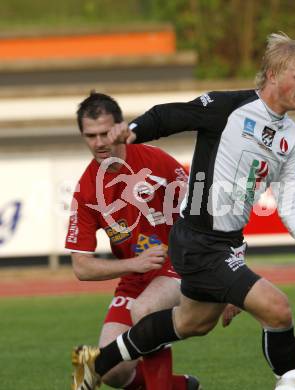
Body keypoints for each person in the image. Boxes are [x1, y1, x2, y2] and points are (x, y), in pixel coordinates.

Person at [72, 33, 295, 389]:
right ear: (274, 75)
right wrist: (133, 131)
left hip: (225, 243)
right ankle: (293, 383)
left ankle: (95, 365)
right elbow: (173, 115)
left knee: (191, 323)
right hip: (199, 241)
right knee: (278, 309)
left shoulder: (289, 136)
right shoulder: (229, 108)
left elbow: (292, 202)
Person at [66, 92, 203, 390]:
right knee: (113, 372)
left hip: (178, 266)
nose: (100, 142)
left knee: (145, 311)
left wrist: (223, 276)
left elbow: (204, 212)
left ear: (120, 127)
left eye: (106, 133)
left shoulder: (157, 162)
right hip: (135, 278)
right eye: (91, 136)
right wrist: (134, 264)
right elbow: (81, 267)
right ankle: (182, 386)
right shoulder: (86, 191)